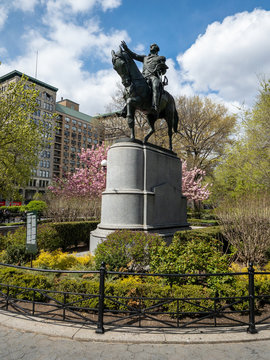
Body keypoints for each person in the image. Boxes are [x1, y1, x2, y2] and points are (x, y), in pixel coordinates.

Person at [121, 41, 168, 114]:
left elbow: (164, 71)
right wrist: (126, 48)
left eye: (153, 45)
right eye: (151, 46)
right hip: (143, 77)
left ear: (156, 49)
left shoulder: (160, 58)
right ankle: (125, 108)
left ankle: (155, 105)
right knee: (131, 86)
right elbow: (134, 55)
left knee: (155, 85)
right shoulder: (144, 58)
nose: (151, 46)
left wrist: (160, 70)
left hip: (153, 76)